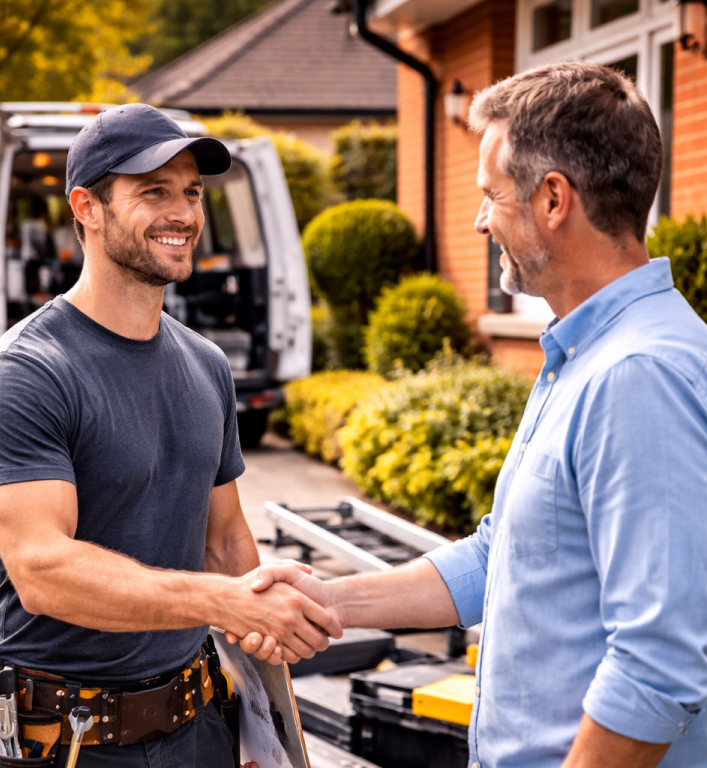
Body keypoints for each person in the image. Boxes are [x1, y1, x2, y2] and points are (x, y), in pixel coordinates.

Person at [232, 62, 707, 768]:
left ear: (553, 199)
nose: (481, 218)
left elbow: (659, 666)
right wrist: (327, 600)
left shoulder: (638, 376)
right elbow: (502, 556)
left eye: (491, 194)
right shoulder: (583, 355)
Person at [0, 103, 342, 768]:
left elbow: (224, 539)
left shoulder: (206, 365)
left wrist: (264, 702)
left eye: (192, 192)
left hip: (198, 726)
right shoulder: (26, 372)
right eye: (153, 191)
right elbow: (43, 572)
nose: (184, 214)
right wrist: (223, 602)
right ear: (87, 207)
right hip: (65, 743)